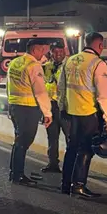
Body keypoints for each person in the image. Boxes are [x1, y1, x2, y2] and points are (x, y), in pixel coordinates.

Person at [58, 32, 107, 198]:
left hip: (70, 113)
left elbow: (61, 88)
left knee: (71, 148)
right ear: (100, 46)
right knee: (85, 150)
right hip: (88, 112)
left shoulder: (69, 60)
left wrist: (63, 108)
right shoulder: (98, 64)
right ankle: (79, 186)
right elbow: (102, 96)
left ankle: (65, 184)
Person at [6, 39, 53, 186]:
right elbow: (40, 91)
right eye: (42, 50)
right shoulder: (34, 66)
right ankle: (18, 175)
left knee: (19, 141)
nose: (44, 53)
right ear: (35, 50)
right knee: (24, 142)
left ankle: (14, 172)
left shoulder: (15, 62)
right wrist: (47, 113)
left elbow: (8, 85)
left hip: (14, 106)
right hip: (27, 108)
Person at [41, 42, 68, 173]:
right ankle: (53, 163)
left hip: (65, 107)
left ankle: (71, 165)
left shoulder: (69, 67)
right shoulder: (45, 67)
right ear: (51, 52)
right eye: (56, 52)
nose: (59, 55)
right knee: (52, 137)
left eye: (61, 52)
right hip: (50, 107)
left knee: (70, 137)